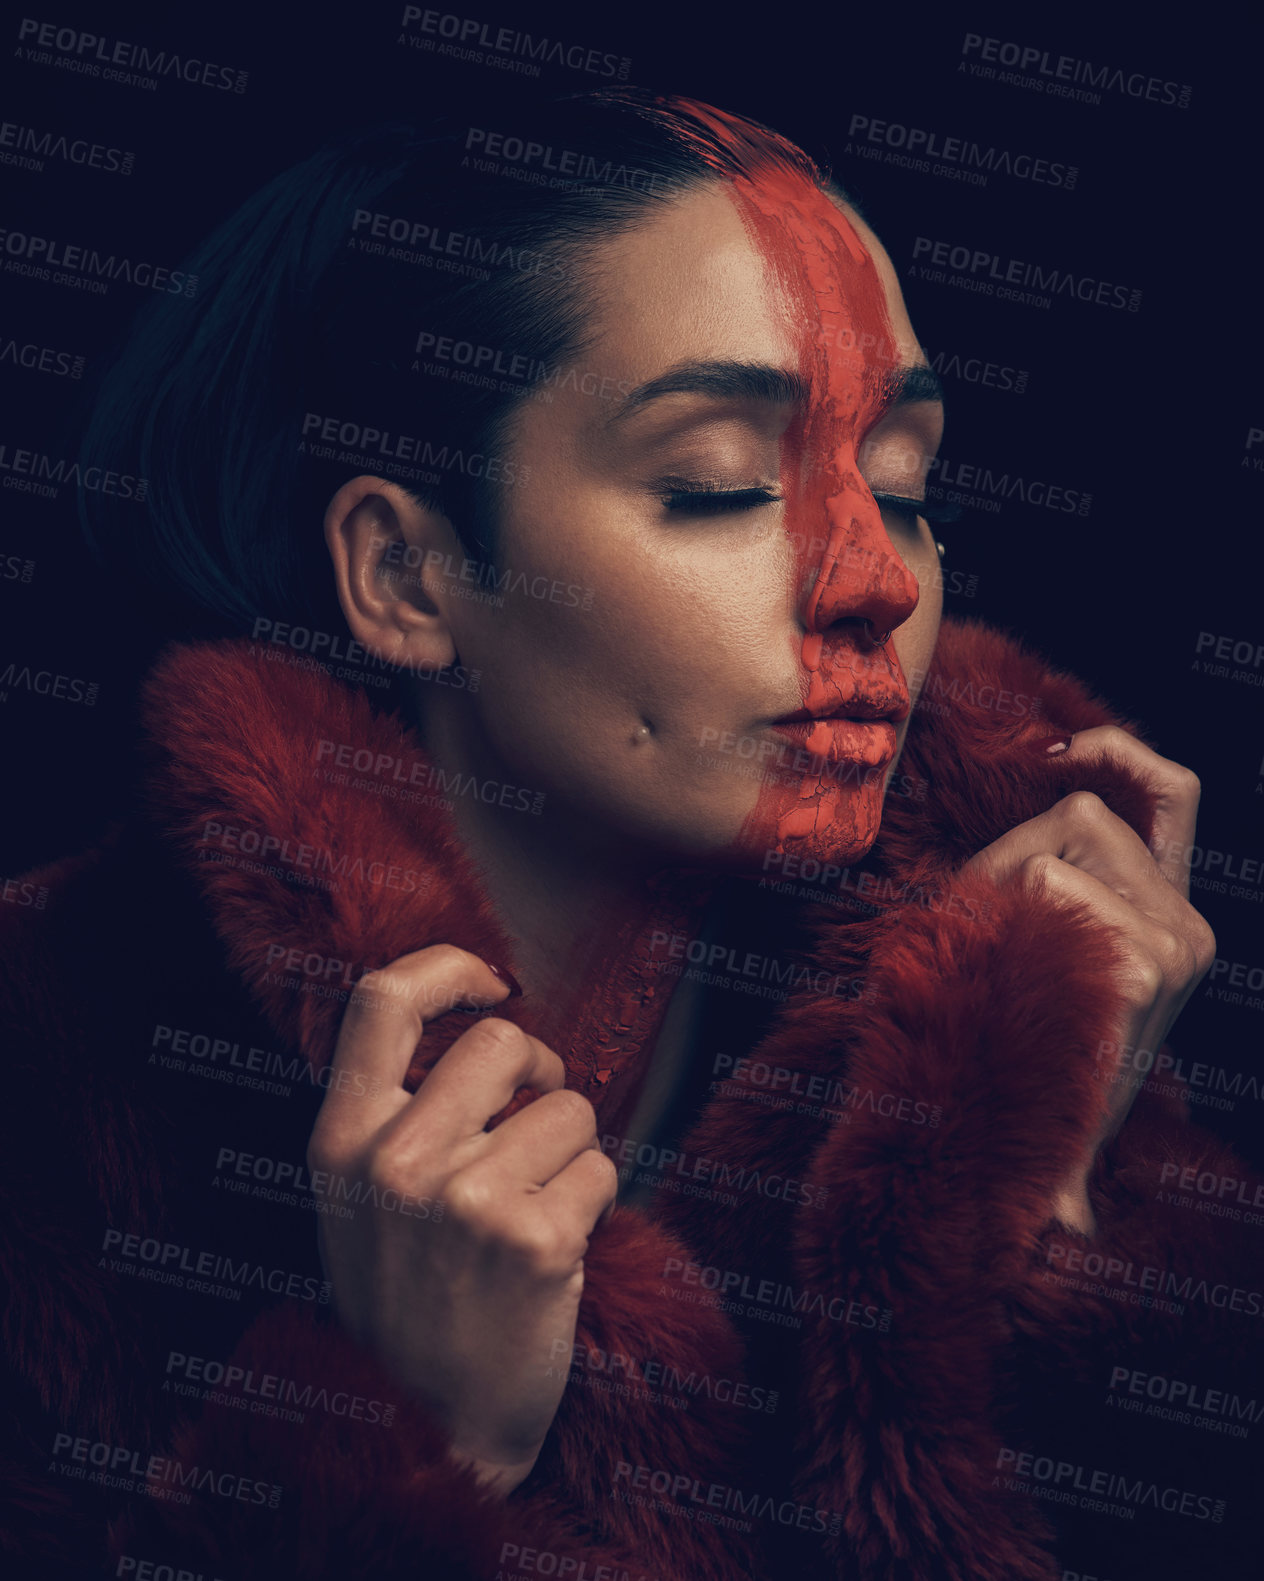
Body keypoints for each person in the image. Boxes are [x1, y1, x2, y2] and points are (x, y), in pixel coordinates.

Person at [3, 88, 1258, 1581]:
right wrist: (408, 1440)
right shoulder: (44, 1062)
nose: (881, 581)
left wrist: (1029, 1179)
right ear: (406, 574)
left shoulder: (997, 983)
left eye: (908, 487)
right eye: (718, 482)